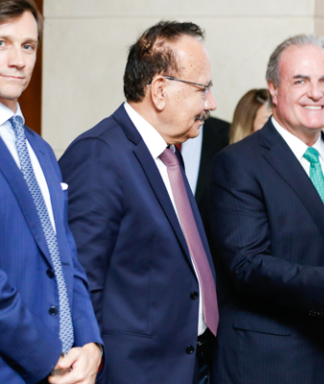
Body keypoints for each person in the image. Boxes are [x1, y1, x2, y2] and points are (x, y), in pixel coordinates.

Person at [210, 34, 324, 384]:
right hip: (272, 364)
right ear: (274, 89)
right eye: (300, 81)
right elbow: (246, 265)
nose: (316, 92)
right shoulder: (238, 163)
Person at [59, 21, 219, 384]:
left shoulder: (167, 155)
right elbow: (78, 280)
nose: (211, 103)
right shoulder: (100, 155)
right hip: (132, 372)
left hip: (190, 366)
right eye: (203, 89)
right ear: (160, 90)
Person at [0, 1, 103, 383]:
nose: (18, 60)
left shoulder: (40, 151)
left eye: (28, 46)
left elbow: (66, 258)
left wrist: (90, 343)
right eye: (1, 43)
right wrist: (48, 360)